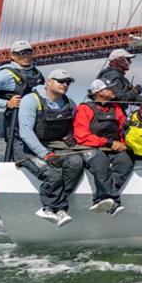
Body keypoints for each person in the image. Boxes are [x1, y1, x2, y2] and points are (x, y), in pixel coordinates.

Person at [16, 69, 84, 227]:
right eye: (60, 81)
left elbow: (73, 127)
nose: (65, 84)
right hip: (27, 149)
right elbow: (25, 133)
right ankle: (49, 208)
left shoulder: (69, 103)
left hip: (55, 147)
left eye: (68, 82)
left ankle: (57, 204)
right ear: (48, 81)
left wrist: (71, 135)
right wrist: (45, 155)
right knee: (53, 173)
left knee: (76, 162)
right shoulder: (31, 100)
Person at [0, 40, 44, 160]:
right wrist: (7, 103)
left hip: (38, 120)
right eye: (21, 53)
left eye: (28, 52)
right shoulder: (4, 75)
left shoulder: (36, 73)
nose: (25, 56)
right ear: (12, 55)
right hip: (15, 121)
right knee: (19, 153)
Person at [73, 79, 134, 217]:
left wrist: (125, 144)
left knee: (127, 159)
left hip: (113, 147)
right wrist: (108, 143)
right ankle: (113, 201)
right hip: (90, 147)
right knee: (101, 162)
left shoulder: (116, 108)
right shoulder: (84, 108)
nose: (114, 91)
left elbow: (123, 129)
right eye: (110, 88)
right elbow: (81, 137)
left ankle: (104, 198)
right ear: (100, 92)